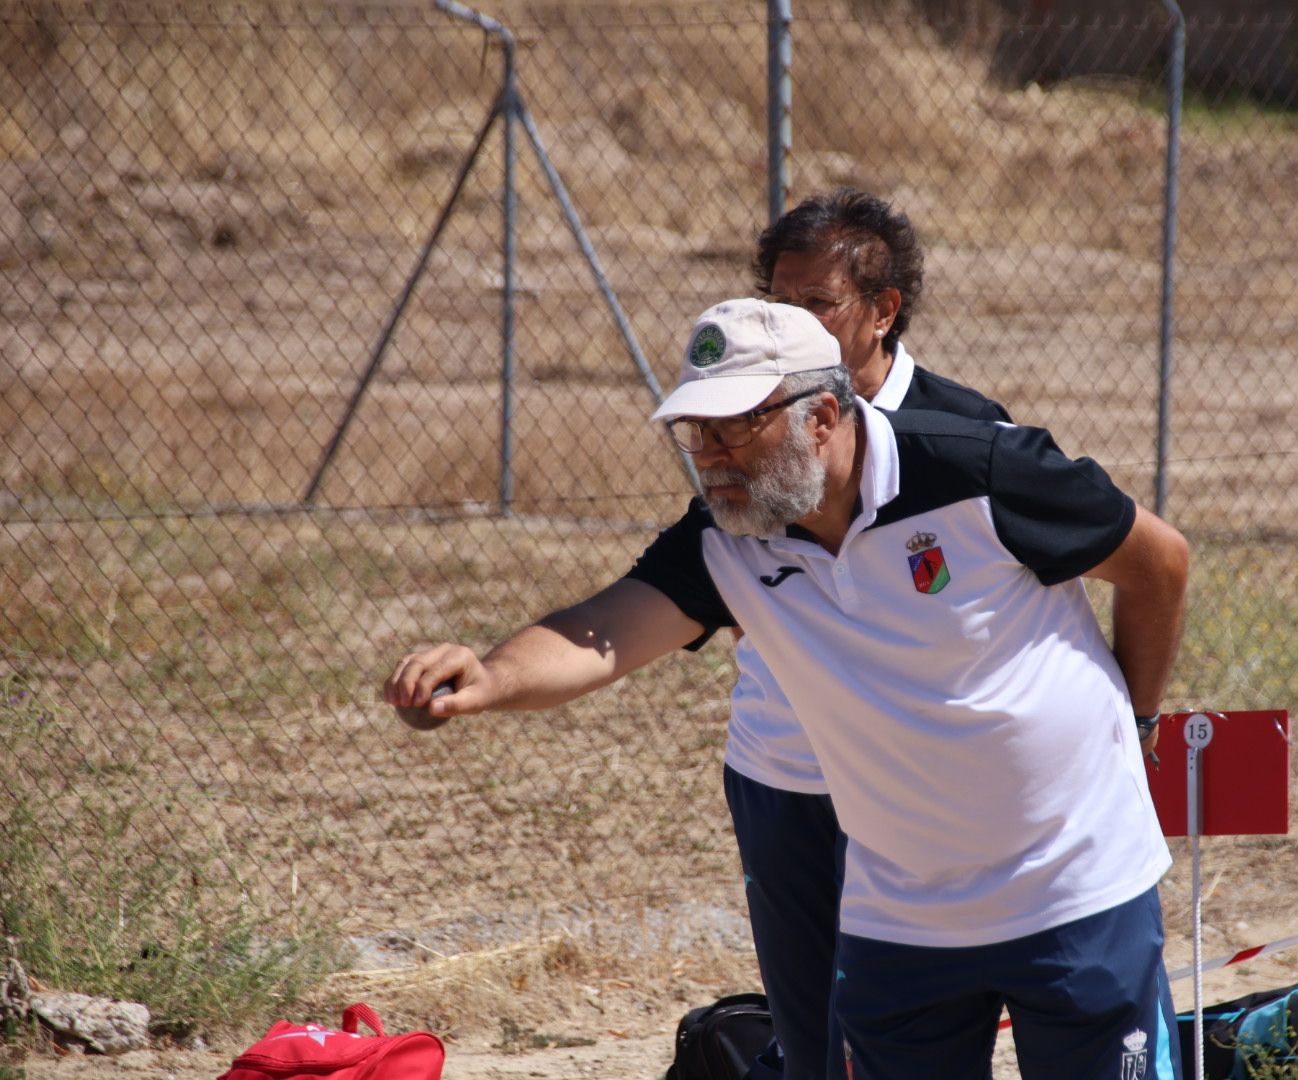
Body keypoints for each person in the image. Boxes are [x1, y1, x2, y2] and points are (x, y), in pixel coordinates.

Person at [386, 298, 1189, 1080]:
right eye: (696, 430)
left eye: (738, 425)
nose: (711, 453)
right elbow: (604, 632)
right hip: (901, 918)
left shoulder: (978, 469)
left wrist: (1139, 710)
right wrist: (489, 678)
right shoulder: (726, 540)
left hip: (1076, 890)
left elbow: (1158, 561)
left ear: (822, 417)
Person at [734, 188, 1010, 1080]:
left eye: (817, 303)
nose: (793, 323)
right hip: (785, 775)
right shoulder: (746, 424)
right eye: (779, 302)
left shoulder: (972, 435)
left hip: (916, 782)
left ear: (883, 311)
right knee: (813, 1039)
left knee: (902, 1040)